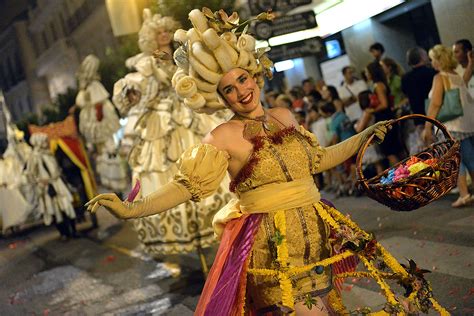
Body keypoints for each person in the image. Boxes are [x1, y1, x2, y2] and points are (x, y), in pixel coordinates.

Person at [87, 8, 448, 315]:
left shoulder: (283, 116)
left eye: (242, 79)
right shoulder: (222, 136)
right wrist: (133, 209)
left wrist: (365, 136)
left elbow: (318, 160)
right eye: (228, 89)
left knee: (322, 307)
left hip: (317, 233)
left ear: (254, 75)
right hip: (272, 247)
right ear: (220, 96)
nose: (241, 91)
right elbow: (186, 186)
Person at [112, 9, 231, 261]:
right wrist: (133, 91)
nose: (164, 35)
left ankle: (218, 225)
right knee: (165, 170)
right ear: (149, 38)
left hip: (190, 112)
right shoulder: (145, 63)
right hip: (162, 122)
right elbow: (135, 86)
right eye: (158, 32)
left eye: (166, 30)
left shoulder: (182, 54)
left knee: (208, 159)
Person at [423, 44, 474, 208]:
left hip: (449, 126)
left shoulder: (440, 77)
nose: (431, 63)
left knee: (455, 161)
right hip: (465, 125)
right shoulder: (456, 75)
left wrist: (427, 126)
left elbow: (436, 103)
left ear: (439, 60)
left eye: (432, 59)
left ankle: (464, 194)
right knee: (470, 159)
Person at [26, 133, 77, 240]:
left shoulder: (49, 153)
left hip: (58, 183)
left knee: (67, 206)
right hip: (47, 187)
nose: (47, 143)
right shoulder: (35, 156)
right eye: (44, 141)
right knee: (55, 210)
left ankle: (73, 231)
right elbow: (30, 174)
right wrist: (40, 182)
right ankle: (64, 233)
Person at [76, 55, 120, 151]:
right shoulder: (88, 87)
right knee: (102, 144)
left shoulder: (93, 86)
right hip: (93, 119)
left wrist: (98, 120)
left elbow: (98, 104)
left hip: (97, 120)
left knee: (105, 142)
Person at [365, 61, 403, 165]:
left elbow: (384, 104)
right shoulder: (381, 83)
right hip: (387, 117)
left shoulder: (378, 85)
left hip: (384, 118)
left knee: (390, 151)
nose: (366, 74)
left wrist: (372, 110)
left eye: (367, 72)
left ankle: (400, 176)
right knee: (396, 150)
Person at [452, 39, 474, 207]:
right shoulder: (457, 72)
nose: (455, 55)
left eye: (458, 51)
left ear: (467, 51)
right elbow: (462, 87)